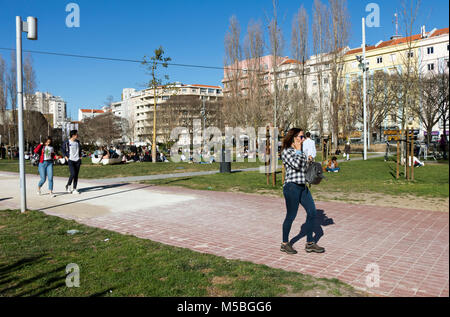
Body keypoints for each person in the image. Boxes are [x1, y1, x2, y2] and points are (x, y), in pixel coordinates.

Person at [280, 128, 325, 255]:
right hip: (291, 187)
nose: (303, 139)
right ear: (294, 138)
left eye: (303, 136)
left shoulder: (301, 152)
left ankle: (310, 243)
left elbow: (304, 168)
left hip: (302, 187)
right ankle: (284, 243)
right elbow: (296, 165)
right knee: (291, 216)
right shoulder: (286, 152)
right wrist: (300, 152)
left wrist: (309, 162)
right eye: (301, 137)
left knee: (312, 212)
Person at [62, 130, 82, 194]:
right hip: (70, 160)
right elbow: (62, 150)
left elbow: (80, 149)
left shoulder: (77, 142)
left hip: (77, 160)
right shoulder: (67, 142)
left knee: (76, 175)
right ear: (73, 135)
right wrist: (66, 157)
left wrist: (80, 156)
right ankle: (68, 185)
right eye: (76, 134)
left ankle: (74, 189)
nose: (77, 135)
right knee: (72, 174)